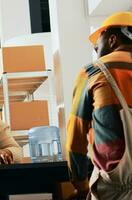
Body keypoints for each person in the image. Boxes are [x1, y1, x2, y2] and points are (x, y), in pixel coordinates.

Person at [66, 11, 132, 199]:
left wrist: (80, 184)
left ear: (112, 40)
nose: (95, 48)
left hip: (116, 190)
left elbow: (76, 136)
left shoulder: (94, 72)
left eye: (98, 41)